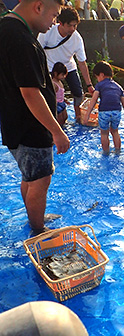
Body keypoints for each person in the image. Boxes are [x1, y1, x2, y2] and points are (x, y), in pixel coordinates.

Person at [0, 0, 70, 235]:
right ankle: (39, 229)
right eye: (54, 15)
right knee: (40, 180)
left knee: (29, 177)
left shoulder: (6, 29)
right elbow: (30, 93)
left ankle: (34, 215)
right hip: (31, 126)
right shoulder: (22, 40)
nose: (54, 22)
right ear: (38, 7)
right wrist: (57, 132)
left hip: (14, 124)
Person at [37, 6, 94, 124]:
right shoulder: (48, 32)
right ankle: (50, 120)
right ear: (61, 23)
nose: (73, 29)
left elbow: (82, 62)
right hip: (50, 68)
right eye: (70, 25)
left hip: (69, 67)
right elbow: (37, 52)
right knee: (51, 95)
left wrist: (89, 84)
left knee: (78, 93)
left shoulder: (77, 38)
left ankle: (79, 117)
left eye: (75, 25)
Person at [82, 61, 124, 154]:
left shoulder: (99, 86)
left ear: (102, 74)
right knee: (115, 132)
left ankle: (106, 152)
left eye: (97, 77)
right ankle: (118, 151)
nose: (97, 79)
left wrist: (87, 115)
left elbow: (94, 100)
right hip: (117, 112)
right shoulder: (119, 87)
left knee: (104, 133)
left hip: (104, 112)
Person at [51, 62, 69, 127]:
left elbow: (61, 93)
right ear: (55, 73)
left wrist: (64, 99)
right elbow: (52, 96)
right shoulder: (53, 84)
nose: (64, 77)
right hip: (57, 104)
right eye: (62, 75)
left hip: (62, 102)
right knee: (59, 120)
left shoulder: (59, 82)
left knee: (65, 117)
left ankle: (64, 127)